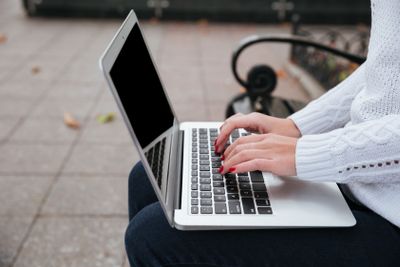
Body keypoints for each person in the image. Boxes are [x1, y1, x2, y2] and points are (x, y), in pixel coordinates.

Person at [125, 0, 400, 266]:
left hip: (389, 216)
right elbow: (385, 63)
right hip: (361, 178)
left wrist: (306, 153)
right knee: (146, 177)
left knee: (153, 237)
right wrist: (298, 127)